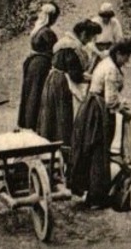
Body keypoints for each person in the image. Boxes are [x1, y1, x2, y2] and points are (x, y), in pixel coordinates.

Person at [70, 39, 131, 208]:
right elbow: (111, 100)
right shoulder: (111, 69)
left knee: (94, 151)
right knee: (99, 152)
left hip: (93, 107)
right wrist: (125, 111)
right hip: (97, 112)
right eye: (126, 57)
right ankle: (96, 197)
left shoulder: (107, 62)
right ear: (119, 54)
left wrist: (122, 103)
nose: (127, 61)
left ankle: (92, 194)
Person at [36, 20, 101, 152]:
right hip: (61, 84)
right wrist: (91, 78)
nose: (89, 41)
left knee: (53, 117)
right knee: (62, 117)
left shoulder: (68, 43)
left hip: (56, 80)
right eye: (89, 37)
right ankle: (63, 148)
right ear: (83, 34)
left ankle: (54, 147)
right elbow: (74, 75)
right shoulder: (70, 47)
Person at [17, 26, 57, 131]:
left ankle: (29, 122)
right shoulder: (44, 59)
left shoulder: (38, 29)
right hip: (40, 68)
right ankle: (33, 123)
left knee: (31, 95)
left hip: (34, 65)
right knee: (36, 95)